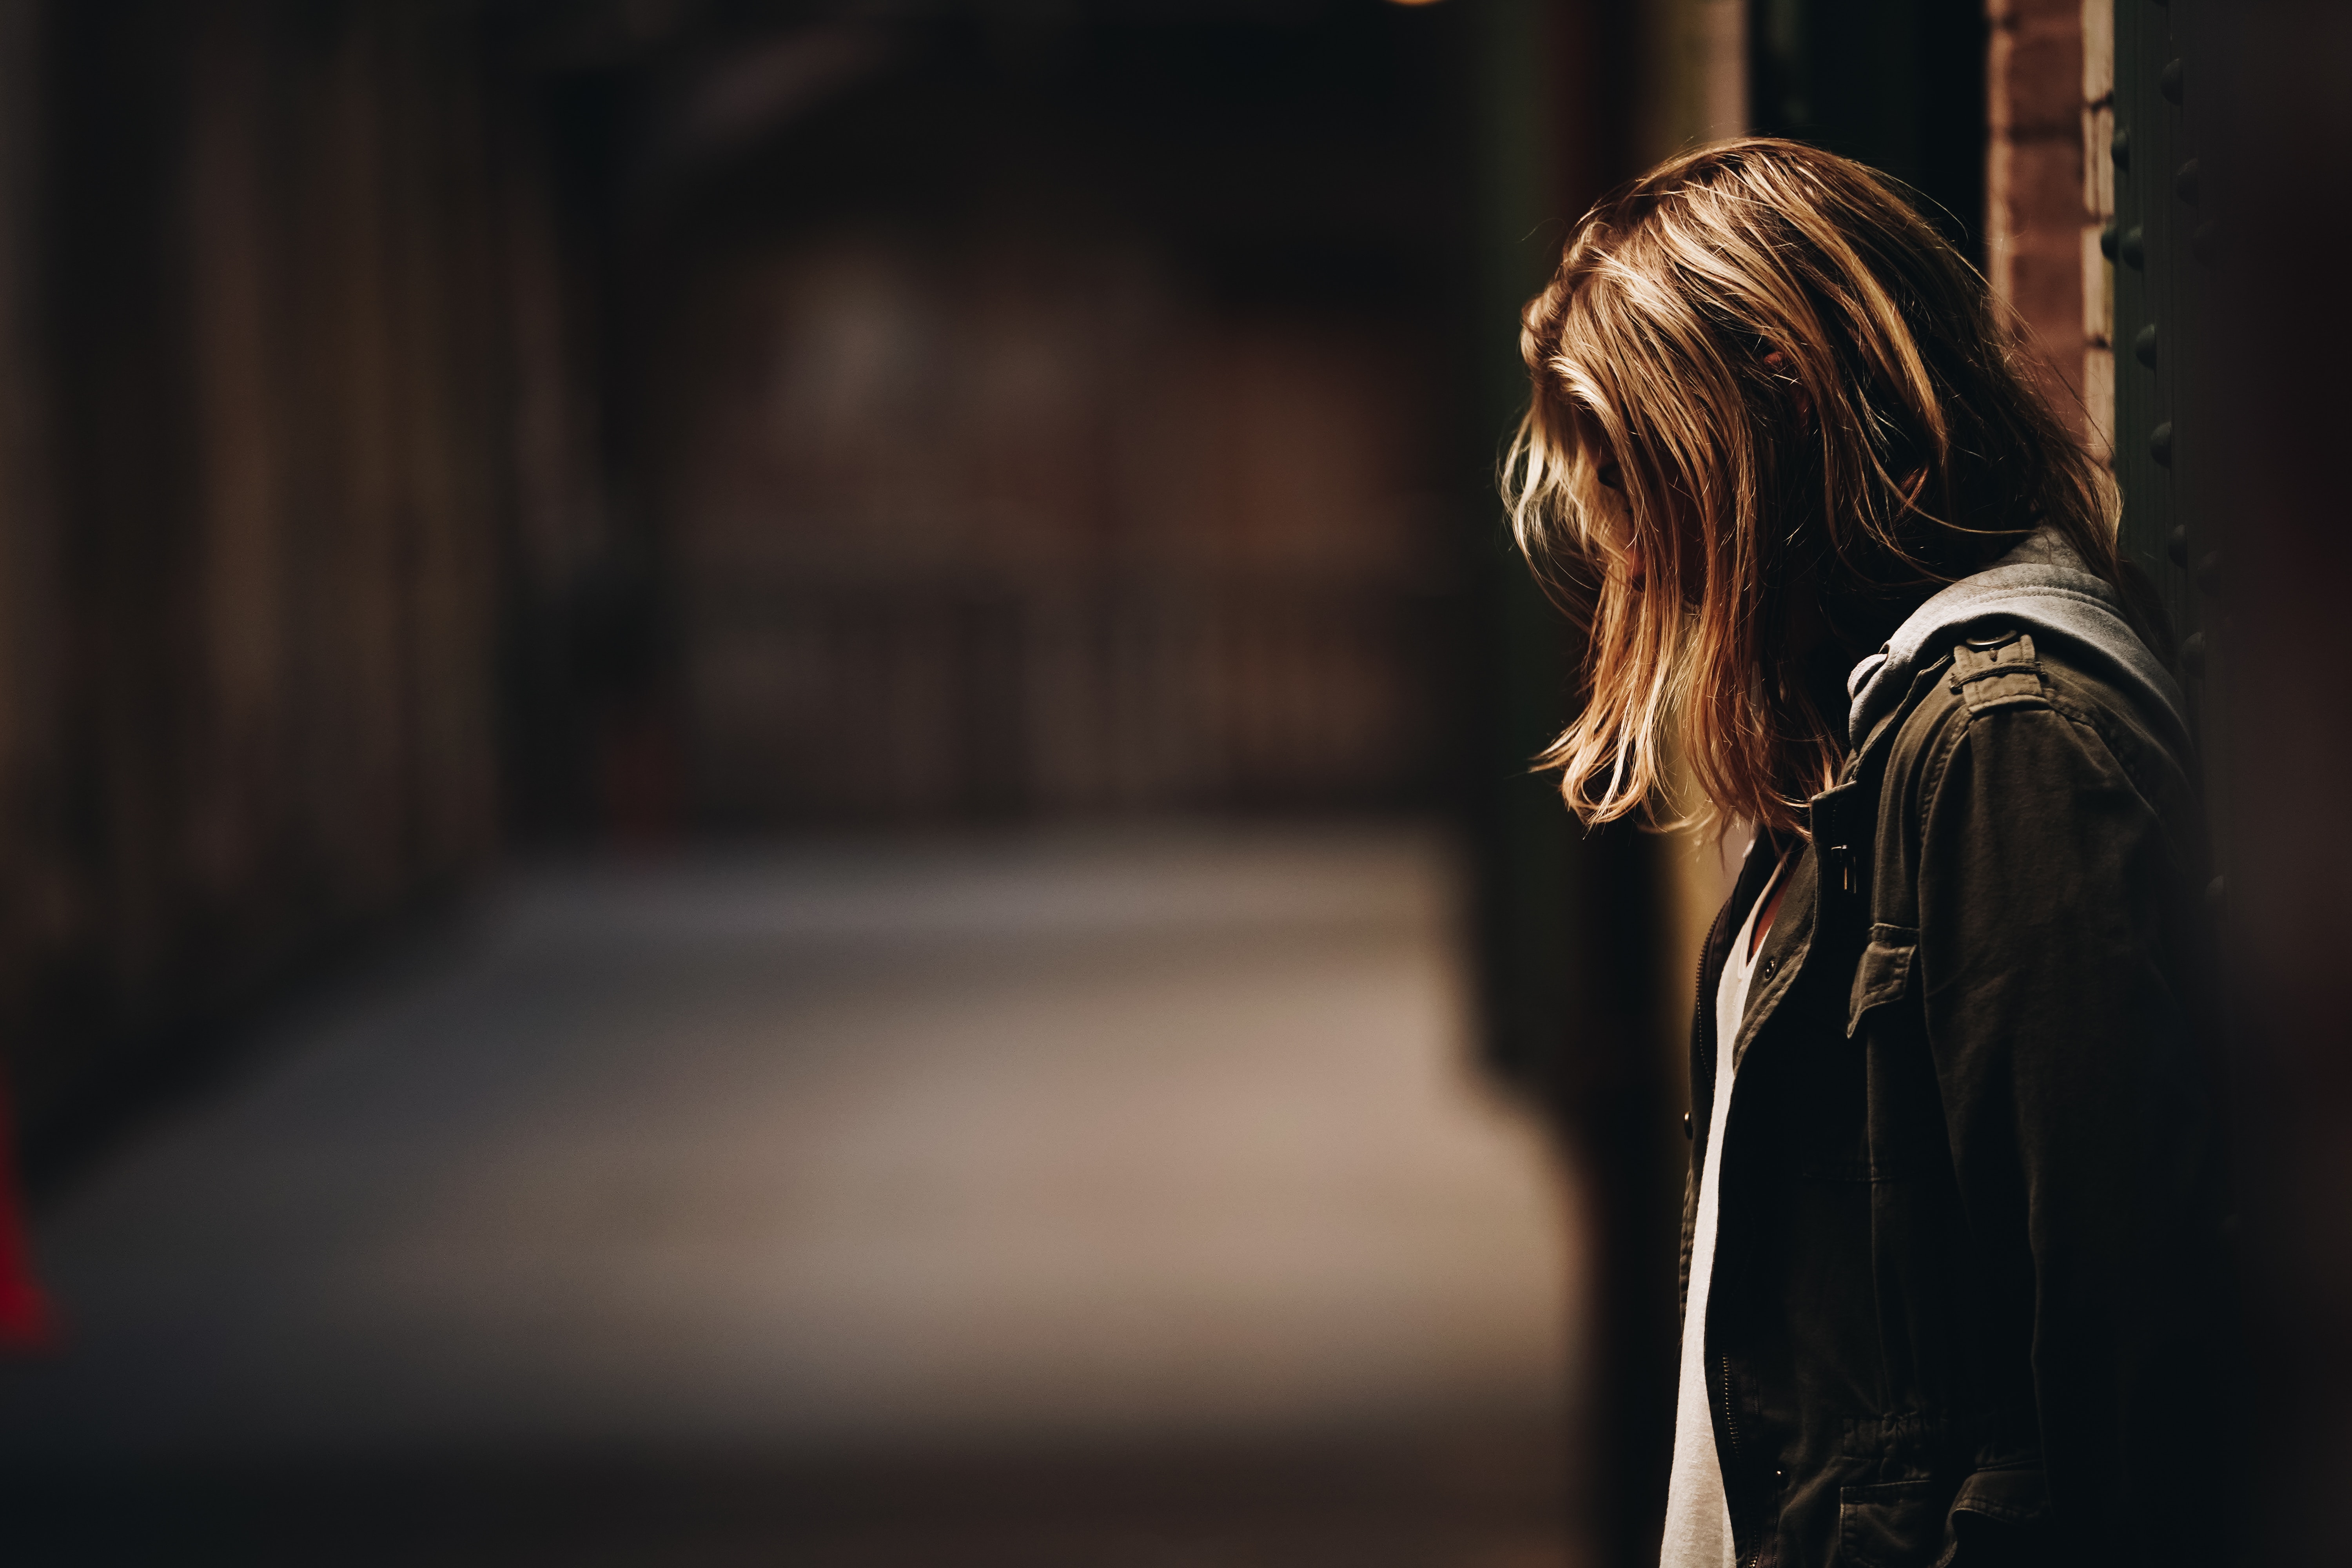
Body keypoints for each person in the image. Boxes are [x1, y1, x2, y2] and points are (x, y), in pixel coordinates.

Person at [1504, 139, 2235, 1567]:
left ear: (1781, 394)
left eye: (1645, 476)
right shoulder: (1879, 743)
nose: (1636, 558)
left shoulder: (2003, 748)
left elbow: (2124, 1376)